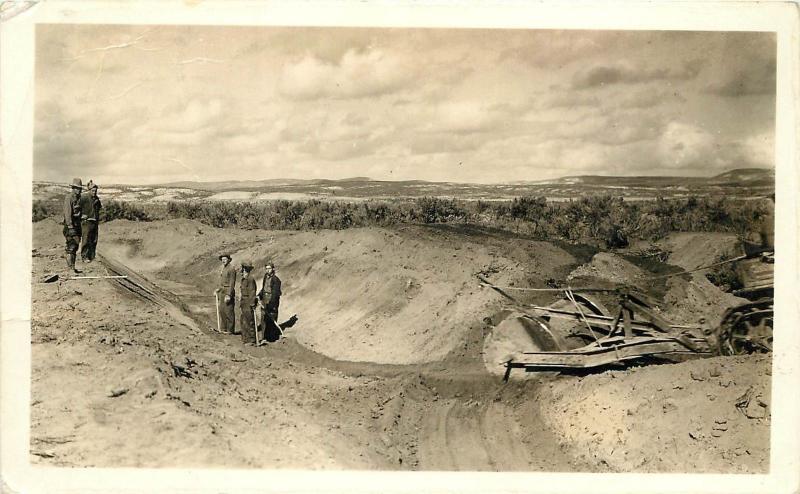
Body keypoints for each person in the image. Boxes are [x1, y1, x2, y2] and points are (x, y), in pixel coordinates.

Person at [62, 178, 83, 272]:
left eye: (80, 188)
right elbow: (67, 214)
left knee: (75, 246)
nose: (79, 190)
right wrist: (70, 227)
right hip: (70, 225)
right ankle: (70, 268)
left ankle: (72, 267)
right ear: (73, 188)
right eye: (77, 188)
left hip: (77, 225)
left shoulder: (79, 199)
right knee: (71, 245)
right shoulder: (69, 198)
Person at [258, 261, 282, 342]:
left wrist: (271, 305)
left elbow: (275, 294)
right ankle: (263, 337)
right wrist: (259, 295)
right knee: (263, 318)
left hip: (272, 301)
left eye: (269, 268)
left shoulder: (276, 280)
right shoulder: (265, 277)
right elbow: (264, 288)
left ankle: (272, 338)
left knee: (271, 319)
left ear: (273, 269)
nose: (267, 270)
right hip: (265, 299)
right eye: (266, 269)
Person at [79, 183, 102, 262]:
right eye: (92, 191)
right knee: (86, 239)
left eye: (95, 191)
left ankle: (92, 256)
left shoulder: (96, 199)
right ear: (89, 190)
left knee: (94, 240)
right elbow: (76, 207)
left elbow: (99, 209)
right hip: (86, 222)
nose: (94, 192)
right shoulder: (84, 197)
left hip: (94, 222)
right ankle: (84, 257)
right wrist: (81, 215)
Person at [214, 254, 236, 333]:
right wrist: (218, 289)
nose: (223, 261)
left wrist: (229, 295)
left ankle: (230, 330)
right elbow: (222, 282)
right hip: (222, 291)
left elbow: (232, 283)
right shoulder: (223, 268)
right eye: (222, 259)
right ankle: (224, 329)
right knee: (222, 310)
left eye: (225, 259)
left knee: (229, 310)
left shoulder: (231, 269)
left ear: (229, 260)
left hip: (228, 291)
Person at [239, 260, 258, 346]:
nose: (242, 271)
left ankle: (252, 340)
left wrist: (252, 303)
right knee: (244, 320)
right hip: (244, 301)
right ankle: (245, 339)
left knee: (249, 321)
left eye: (243, 269)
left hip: (248, 302)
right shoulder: (244, 279)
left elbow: (252, 292)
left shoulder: (250, 279)